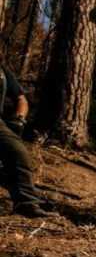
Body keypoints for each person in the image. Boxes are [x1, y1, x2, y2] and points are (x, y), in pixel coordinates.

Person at [0, 66, 51, 218]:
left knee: (17, 151)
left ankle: (26, 204)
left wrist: (20, 117)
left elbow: (21, 98)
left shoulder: (3, 70)